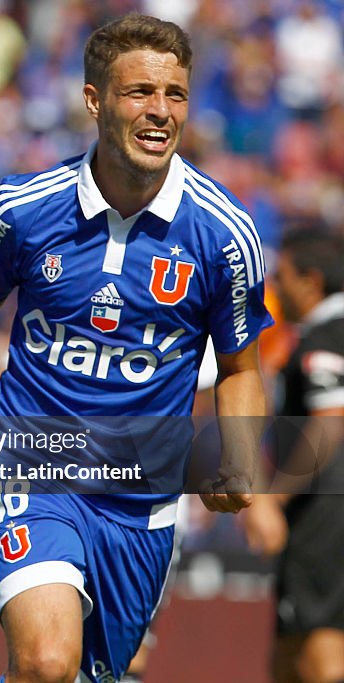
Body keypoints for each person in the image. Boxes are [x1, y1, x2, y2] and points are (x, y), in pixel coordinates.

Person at [0, 14, 271, 683]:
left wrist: (239, 456)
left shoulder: (224, 233)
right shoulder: (23, 208)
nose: (160, 111)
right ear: (95, 99)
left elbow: (241, 364)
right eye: (140, 92)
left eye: (175, 94)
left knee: (92, 676)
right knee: (48, 660)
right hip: (27, 462)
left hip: (140, 497)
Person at [243, 230, 344, 683]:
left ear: (311, 280)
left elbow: (330, 420)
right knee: (287, 654)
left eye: (281, 276)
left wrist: (273, 499)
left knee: (319, 653)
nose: (275, 288)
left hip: (325, 520)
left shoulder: (326, 336)